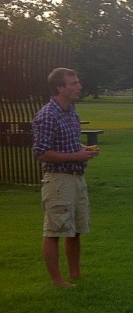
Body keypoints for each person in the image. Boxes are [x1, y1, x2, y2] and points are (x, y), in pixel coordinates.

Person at [31, 68, 99, 286]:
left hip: (77, 178)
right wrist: (76, 156)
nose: (79, 87)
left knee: (75, 230)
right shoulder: (47, 115)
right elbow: (41, 152)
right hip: (59, 180)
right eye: (74, 83)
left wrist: (84, 150)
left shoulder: (71, 112)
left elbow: (69, 143)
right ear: (60, 87)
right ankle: (57, 280)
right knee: (54, 230)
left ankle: (75, 274)